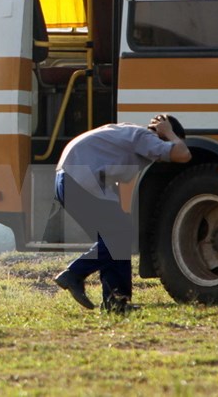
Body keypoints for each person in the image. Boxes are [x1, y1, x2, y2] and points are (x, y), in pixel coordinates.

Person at [53, 115, 191, 313]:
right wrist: (168, 132)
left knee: (115, 238)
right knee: (120, 238)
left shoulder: (129, 133)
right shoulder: (146, 137)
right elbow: (183, 154)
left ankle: (115, 301)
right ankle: (74, 273)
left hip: (69, 178)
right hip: (79, 178)